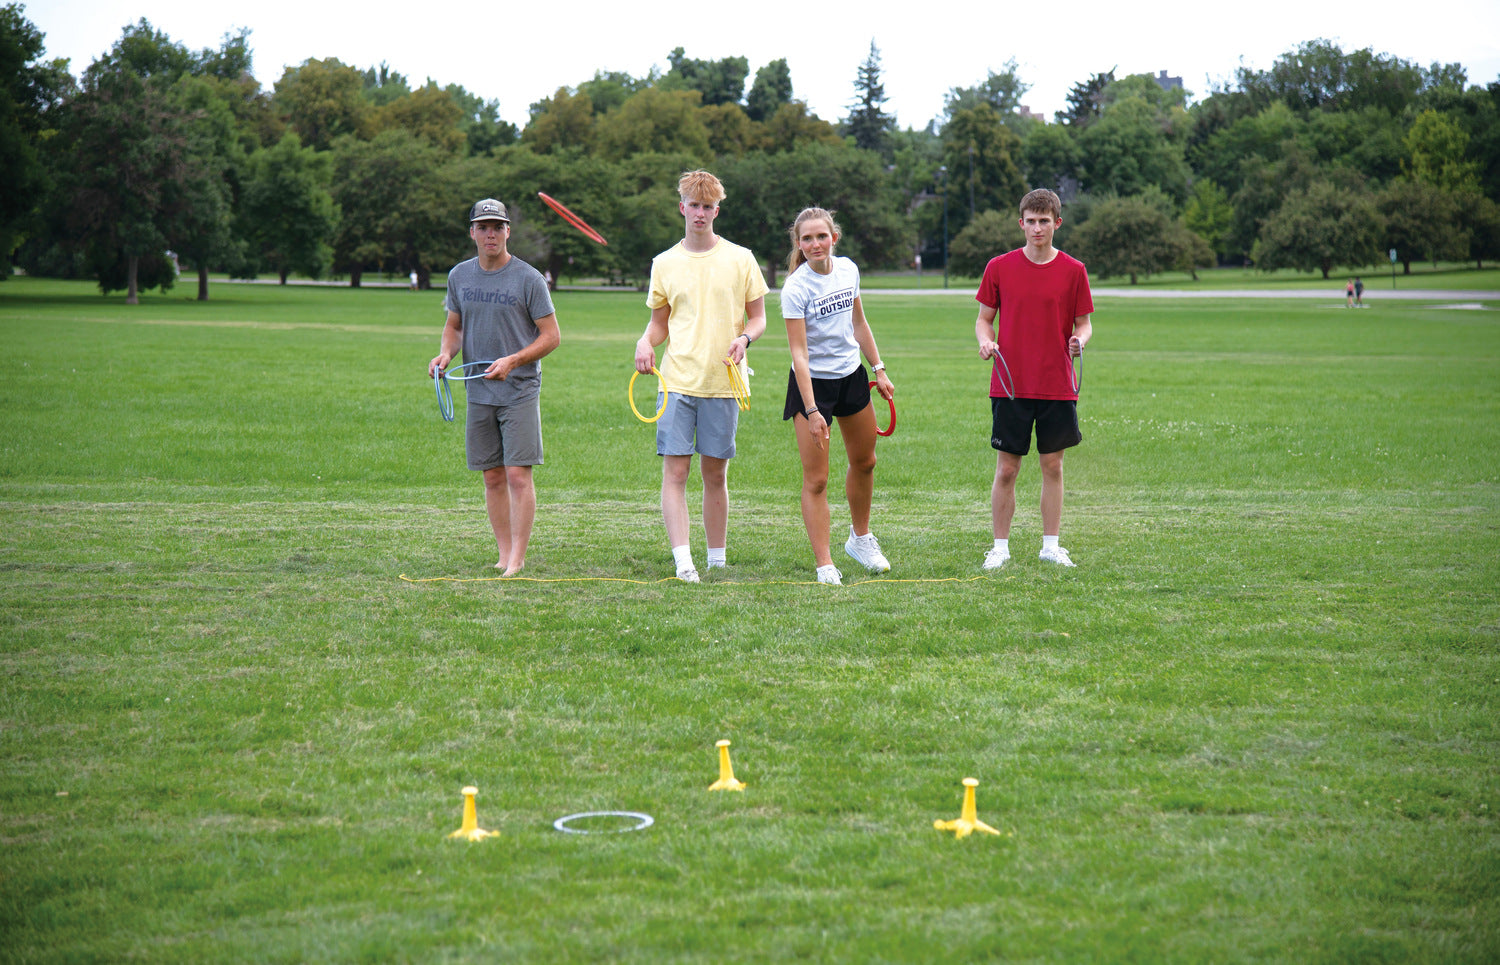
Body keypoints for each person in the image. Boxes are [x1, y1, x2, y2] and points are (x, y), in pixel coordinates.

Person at [634, 170, 769, 583]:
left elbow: (760, 317)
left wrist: (745, 338)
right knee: (675, 474)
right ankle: (683, 561)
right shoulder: (665, 263)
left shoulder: (740, 258)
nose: (701, 213)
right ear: (682, 207)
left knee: (716, 474)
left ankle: (716, 559)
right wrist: (645, 341)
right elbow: (660, 323)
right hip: (676, 383)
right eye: (694, 205)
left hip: (724, 382)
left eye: (708, 206)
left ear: (717, 210)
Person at [429, 198, 561, 576]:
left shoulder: (528, 278)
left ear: (508, 231)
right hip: (478, 389)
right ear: (472, 232)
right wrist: (444, 355)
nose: (490, 234)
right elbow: (454, 327)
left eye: (497, 227)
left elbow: (551, 337)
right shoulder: (460, 276)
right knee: (492, 475)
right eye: (483, 227)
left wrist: (513, 361)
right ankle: (503, 553)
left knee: (518, 474)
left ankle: (518, 558)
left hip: (519, 388)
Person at [973, 187, 1093, 569]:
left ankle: (1051, 546)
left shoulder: (1074, 271)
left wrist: (1079, 341)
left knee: (1052, 465)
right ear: (1020, 223)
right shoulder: (999, 267)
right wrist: (985, 342)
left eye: (1044, 221)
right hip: (1010, 385)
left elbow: (1084, 325)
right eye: (1030, 221)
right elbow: (983, 319)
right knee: (1007, 467)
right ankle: (1000, 548)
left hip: (1057, 384)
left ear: (1057, 223)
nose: (1037, 228)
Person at [780, 206, 895, 586]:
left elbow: (858, 322)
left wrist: (878, 368)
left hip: (850, 377)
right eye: (808, 238)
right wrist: (812, 410)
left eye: (822, 236)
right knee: (817, 479)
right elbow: (799, 353)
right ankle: (825, 563)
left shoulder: (848, 270)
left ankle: (860, 540)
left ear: (834, 237)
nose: (815, 244)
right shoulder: (796, 287)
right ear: (799, 243)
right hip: (812, 385)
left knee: (865, 461)